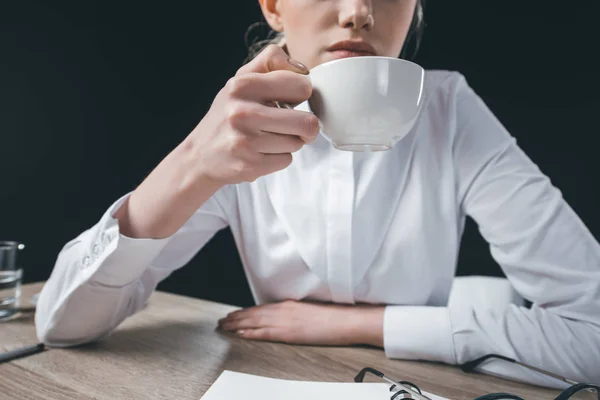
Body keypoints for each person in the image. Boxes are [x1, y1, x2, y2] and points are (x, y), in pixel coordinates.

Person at [35, 0, 600, 389]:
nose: (358, 10)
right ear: (274, 5)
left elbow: (593, 335)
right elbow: (62, 326)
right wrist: (189, 166)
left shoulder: (449, 111)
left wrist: (362, 325)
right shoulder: (238, 131)